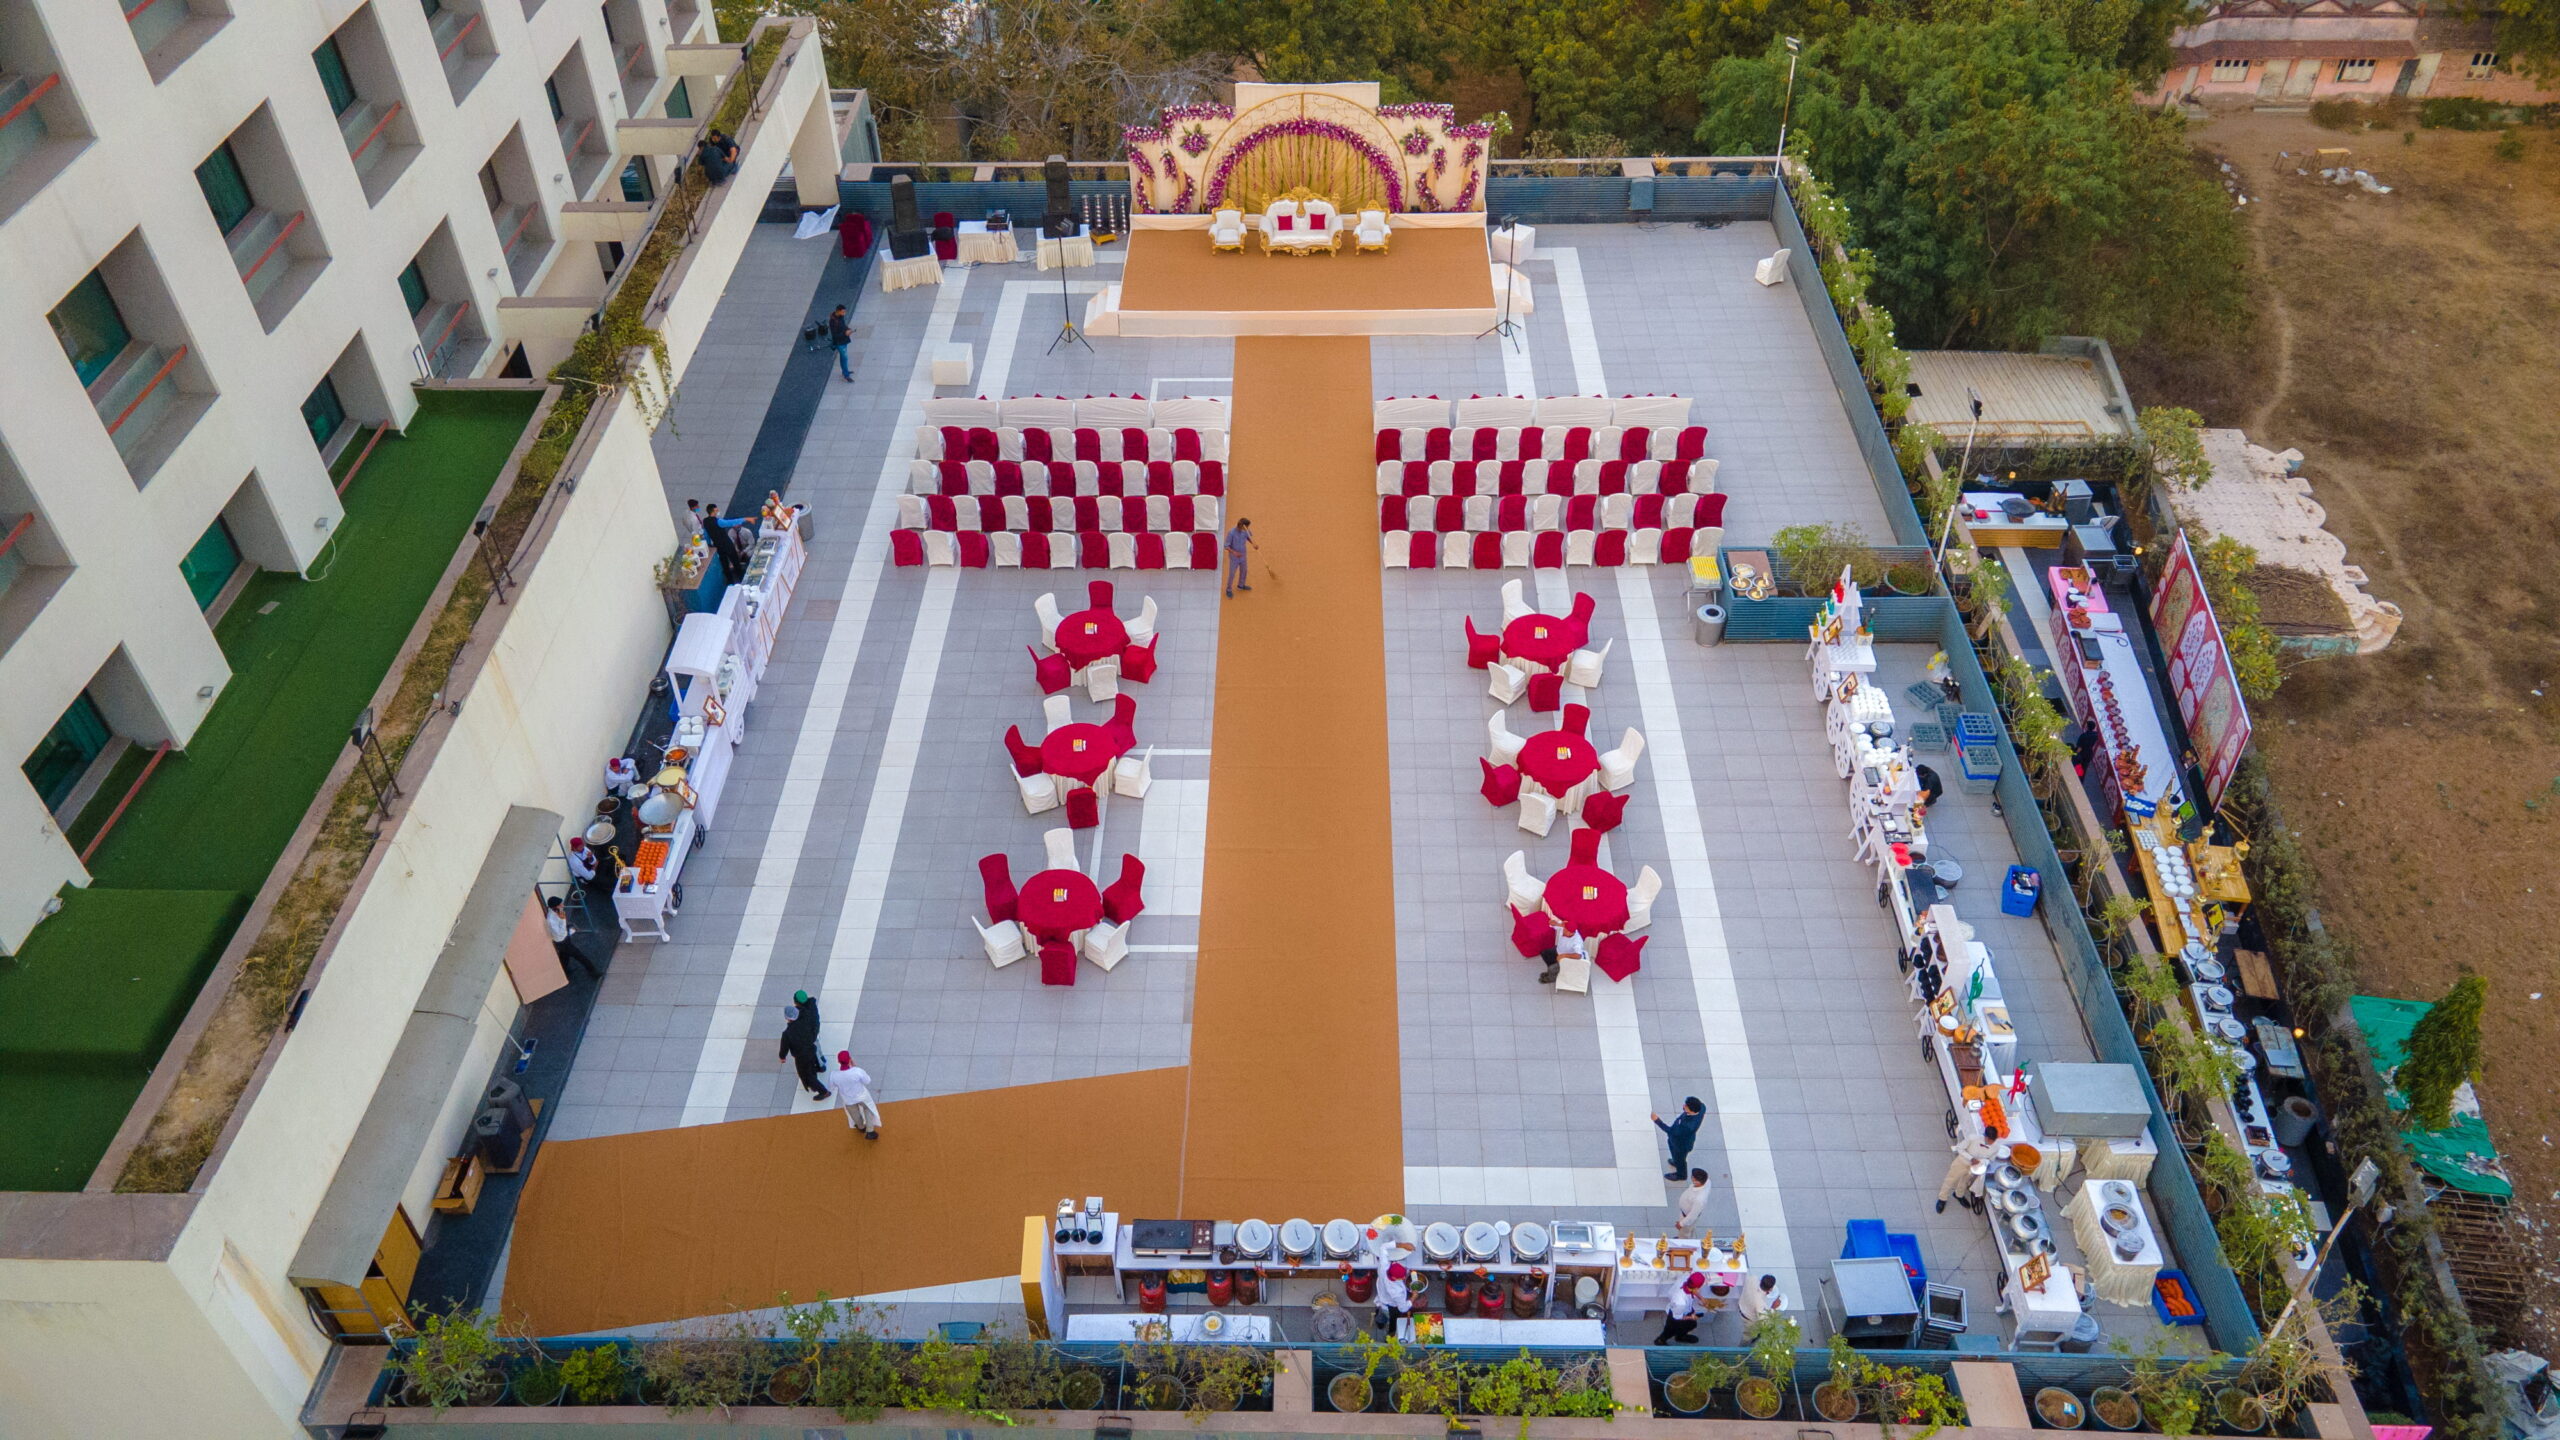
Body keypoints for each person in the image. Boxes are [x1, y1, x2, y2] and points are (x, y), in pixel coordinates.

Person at [778, 992, 828, 1101]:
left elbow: (784, 1047)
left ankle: (823, 1091)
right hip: (811, 1049)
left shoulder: (787, 1033)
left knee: (806, 1074)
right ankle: (818, 1070)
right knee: (812, 1066)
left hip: (801, 1056)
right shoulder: (806, 1019)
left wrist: (782, 1057)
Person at [1935, 1130, 1998, 1213]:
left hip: (1974, 1167)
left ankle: (1958, 1194)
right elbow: (1959, 1148)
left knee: (1965, 1182)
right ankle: (1942, 1198)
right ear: (1985, 1136)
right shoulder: (1973, 1138)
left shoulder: (1996, 1147)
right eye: (1989, 1139)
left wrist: (1982, 1162)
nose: (1991, 1142)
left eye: (1993, 1140)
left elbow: (1990, 1159)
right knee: (1950, 1180)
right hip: (1962, 1162)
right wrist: (1971, 1158)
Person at [824, 1048, 881, 1138]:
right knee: (868, 1109)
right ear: (850, 1059)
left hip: (848, 1099)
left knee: (854, 1113)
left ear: (838, 1061)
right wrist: (854, 1067)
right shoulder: (857, 1071)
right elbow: (867, 1081)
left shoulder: (834, 1075)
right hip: (862, 1096)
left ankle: (861, 1127)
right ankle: (870, 1131)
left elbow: (831, 1088)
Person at [544, 895, 600, 980]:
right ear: (555, 906)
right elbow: (559, 933)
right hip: (562, 942)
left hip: (564, 939)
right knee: (579, 955)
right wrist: (563, 920)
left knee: (564, 956)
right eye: (560, 904)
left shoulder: (558, 911)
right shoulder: (551, 920)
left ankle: (564, 971)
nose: (563, 905)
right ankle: (593, 971)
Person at [1653, 1096, 1704, 1181]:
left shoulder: (1687, 1126)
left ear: (1692, 1110)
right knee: (1677, 1157)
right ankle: (1676, 1161)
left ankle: (1681, 1175)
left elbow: (1671, 1132)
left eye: (1686, 1106)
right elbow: (1702, 1106)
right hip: (1682, 1140)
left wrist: (1657, 1120)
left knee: (1680, 1159)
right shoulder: (1701, 1108)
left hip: (1680, 1145)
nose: (1684, 1106)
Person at [1653, 1272, 1706, 1345]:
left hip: (1684, 1309)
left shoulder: (1686, 1278)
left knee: (1691, 1325)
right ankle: (1660, 1341)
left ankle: (1680, 1337)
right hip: (1676, 1315)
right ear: (1697, 1288)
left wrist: (1701, 1298)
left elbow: (1693, 1289)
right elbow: (1677, 1317)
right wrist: (1691, 1317)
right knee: (1669, 1331)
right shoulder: (1680, 1302)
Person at [702, 502, 749, 583]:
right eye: (716, 510)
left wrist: (709, 544)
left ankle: (729, 580)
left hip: (718, 545)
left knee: (724, 563)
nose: (718, 511)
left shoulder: (705, 521)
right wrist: (744, 519)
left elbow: (706, 534)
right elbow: (730, 522)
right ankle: (740, 576)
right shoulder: (718, 521)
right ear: (713, 511)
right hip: (727, 544)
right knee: (734, 560)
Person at [1375, 1261, 1412, 1335]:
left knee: (1380, 1314)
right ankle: (1389, 1335)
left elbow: (1383, 1253)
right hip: (1390, 1308)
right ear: (1394, 1277)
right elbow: (1403, 1308)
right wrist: (1413, 1297)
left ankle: (1379, 1323)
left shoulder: (1383, 1267)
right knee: (1391, 1323)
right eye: (1402, 1277)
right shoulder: (1396, 1291)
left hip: (1382, 1298)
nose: (1404, 1277)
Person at [1223, 518, 1258, 597]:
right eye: (1246, 527)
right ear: (1241, 526)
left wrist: (1253, 544)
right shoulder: (1231, 533)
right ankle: (1228, 589)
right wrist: (1234, 553)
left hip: (1243, 555)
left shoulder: (1245, 530)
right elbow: (1226, 546)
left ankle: (1241, 585)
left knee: (1244, 571)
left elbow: (1248, 537)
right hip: (1234, 558)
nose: (1247, 528)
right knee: (1232, 574)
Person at [1673, 1168, 1713, 1235]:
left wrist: (1681, 1223)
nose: (1691, 1177)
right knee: (1688, 1231)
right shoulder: (1707, 1182)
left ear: (1697, 1181)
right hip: (1685, 1213)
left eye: (1692, 1177)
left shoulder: (1699, 1199)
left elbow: (1692, 1215)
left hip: (1686, 1216)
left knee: (1684, 1233)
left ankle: (1682, 1239)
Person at [826, 304, 854, 382]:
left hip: (843, 340)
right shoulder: (833, 321)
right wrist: (845, 333)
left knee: (843, 358)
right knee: (845, 358)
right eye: (843, 312)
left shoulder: (840, 317)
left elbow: (843, 326)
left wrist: (848, 329)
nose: (844, 313)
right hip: (839, 342)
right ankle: (846, 375)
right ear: (838, 311)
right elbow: (835, 335)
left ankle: (845, 371)